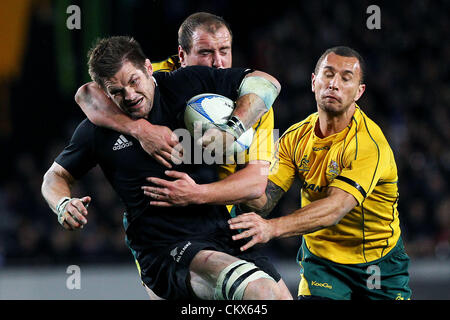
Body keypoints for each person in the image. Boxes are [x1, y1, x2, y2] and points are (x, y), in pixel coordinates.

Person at [42, 35, 290, 300]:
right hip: (164, 245)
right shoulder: (96, 131)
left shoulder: (187, 85)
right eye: (116, 91)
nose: (130, 95)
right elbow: (54, 176)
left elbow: (267, 82)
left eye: (134, 81)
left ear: (149, 69)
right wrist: (62, 204)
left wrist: (233, 129)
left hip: (220, 229)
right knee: (260, 292)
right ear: (104, 92)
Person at [228, 46, 412, 300]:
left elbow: (335, 208)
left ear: (359, 92)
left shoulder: (368, 144)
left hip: (379, 264)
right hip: (323, 264)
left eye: (346, 78)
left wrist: (272, 228)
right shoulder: (294, 138)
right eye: (328, 74)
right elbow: (262, 199)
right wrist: (236, 164)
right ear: (314, 82)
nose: (334, 84)